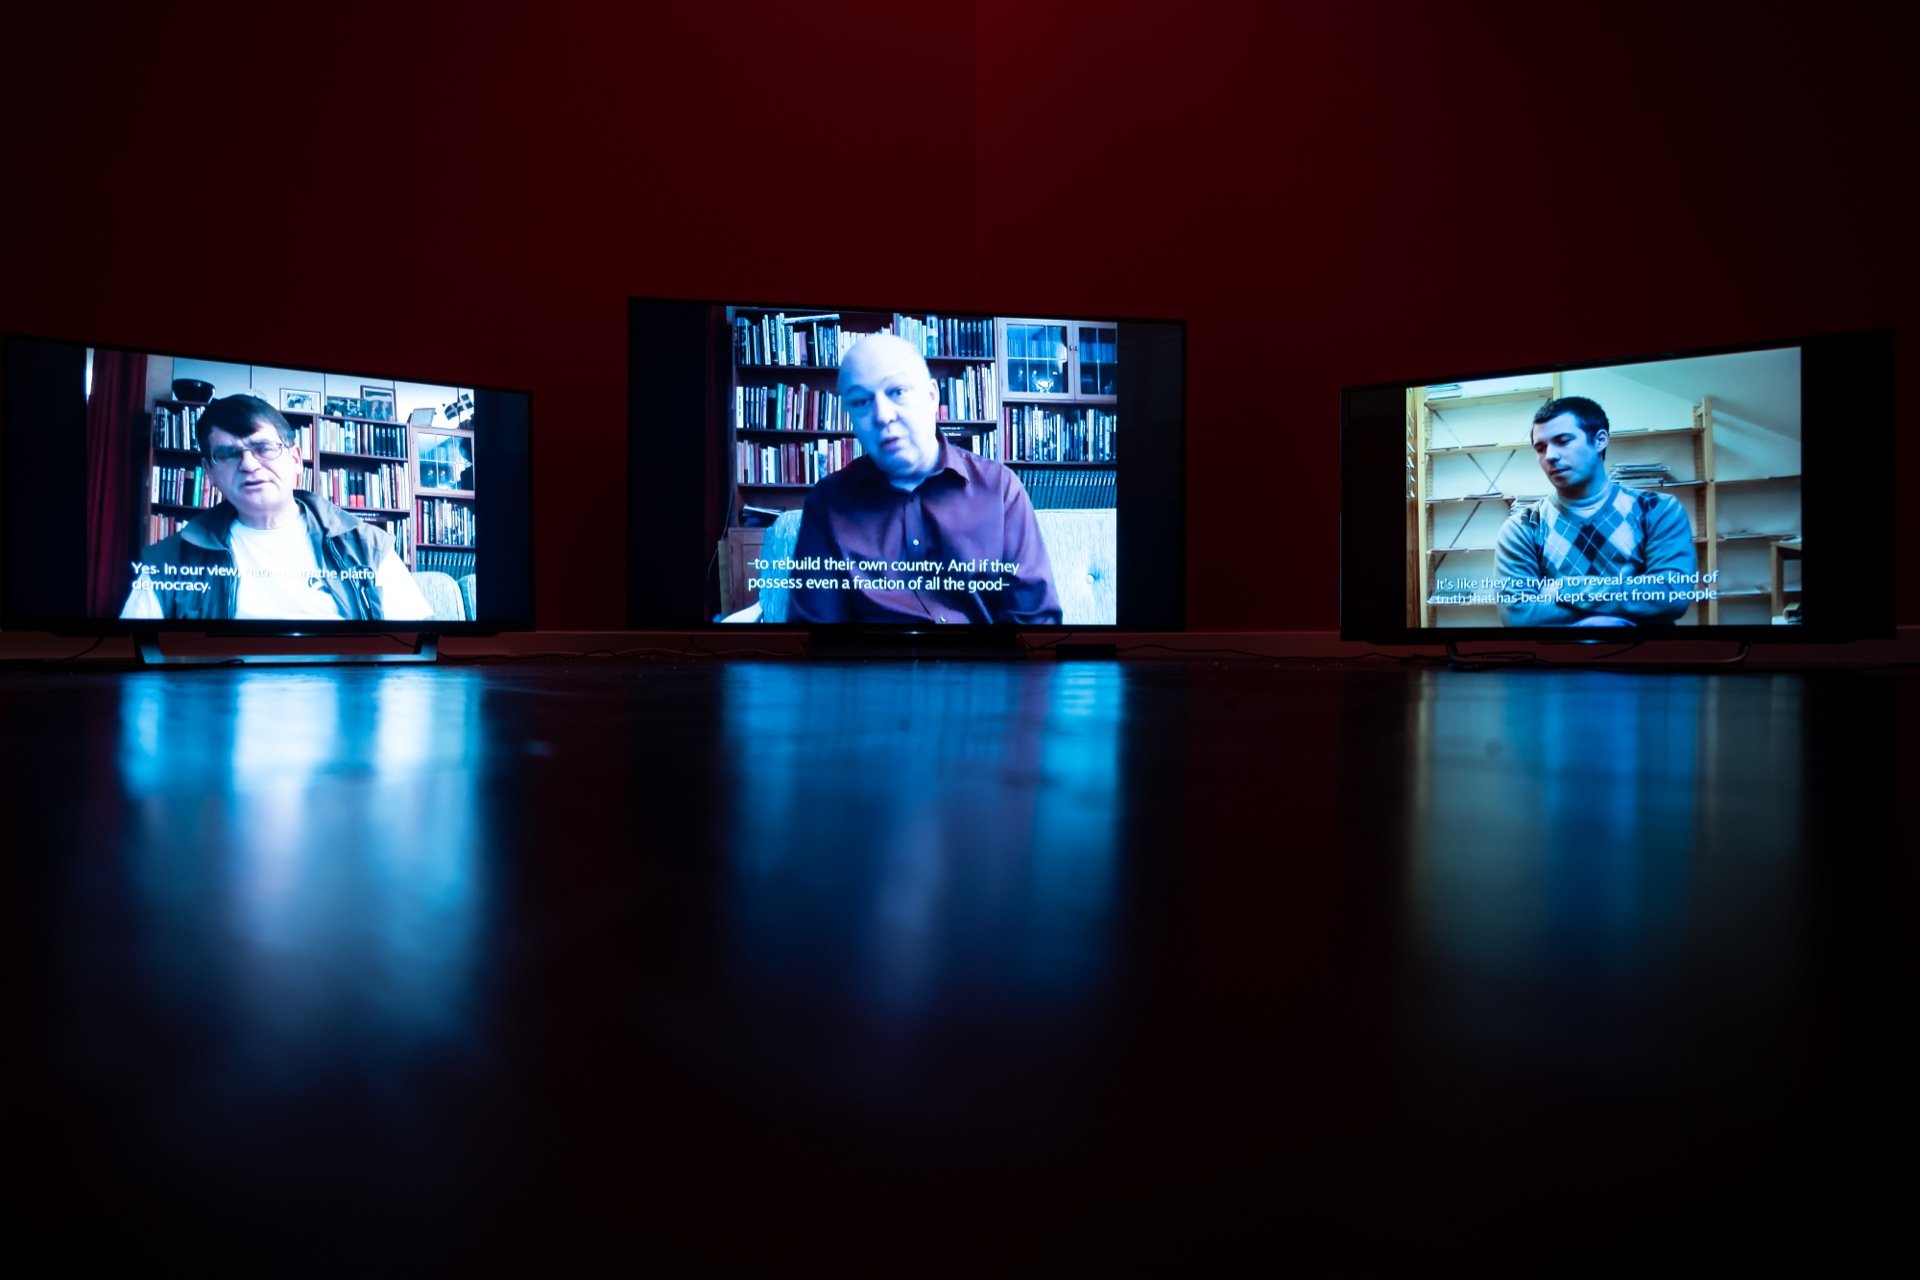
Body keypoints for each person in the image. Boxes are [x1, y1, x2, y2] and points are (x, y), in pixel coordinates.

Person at [787, 333, 1061, 625]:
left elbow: (1034, 622)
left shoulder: (1000, 488)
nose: (882, 416)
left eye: (897, 391)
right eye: (861, 401)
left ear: (931, 397)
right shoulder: (828, 502)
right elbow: (817, 634)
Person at [121, 394, 435, 622]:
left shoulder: (367, 546)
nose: (249, 465)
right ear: (210, 473)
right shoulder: (167, 561)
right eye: (228, 454)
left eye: (263, 447)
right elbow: (135, 662)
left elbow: (418, 649)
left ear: (295, 459)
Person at [1494, 395, 1697, 627]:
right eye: (1540, 448)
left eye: (1563, 441)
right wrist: (1629, 604)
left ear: (1600, 440)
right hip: (1557, 652)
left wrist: (1564, 590)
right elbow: (1519, 616)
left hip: (1648, 650)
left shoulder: (1657, 510)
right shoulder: (1523, 527)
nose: (1549, 455)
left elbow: (1671, 596)